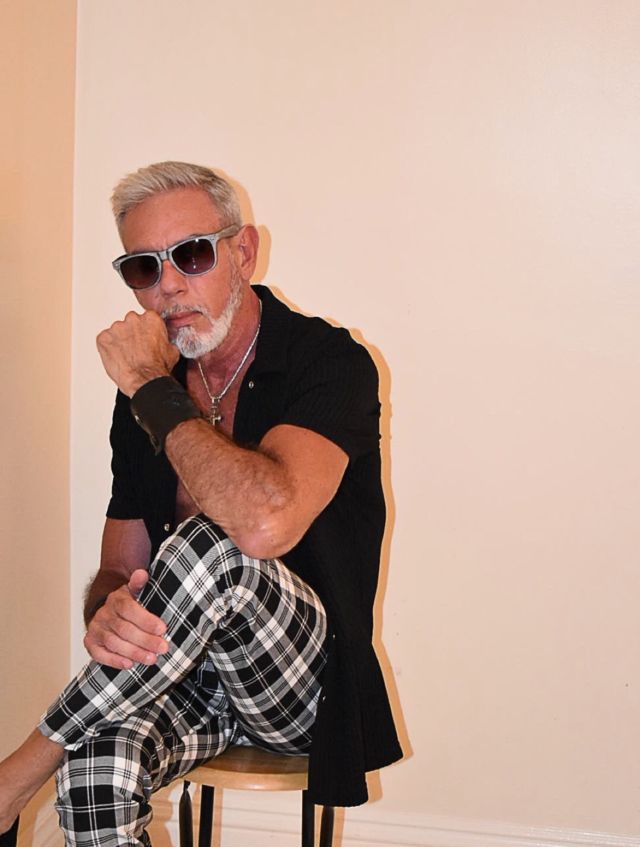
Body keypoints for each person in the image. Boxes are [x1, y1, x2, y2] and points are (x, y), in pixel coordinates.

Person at [0, 162, 401, 846]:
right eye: (143, 267)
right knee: (96, 773)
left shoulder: (328, 361)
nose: (168, 286)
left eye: (191, 254)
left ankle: (15, 778)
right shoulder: (146, 394)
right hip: (184, 682)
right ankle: (51, 770)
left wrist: (150, 388)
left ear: (243, 251)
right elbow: (118, 567)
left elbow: (265, 524)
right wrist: (109, 613)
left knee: (216, 542)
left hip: (302, 684)